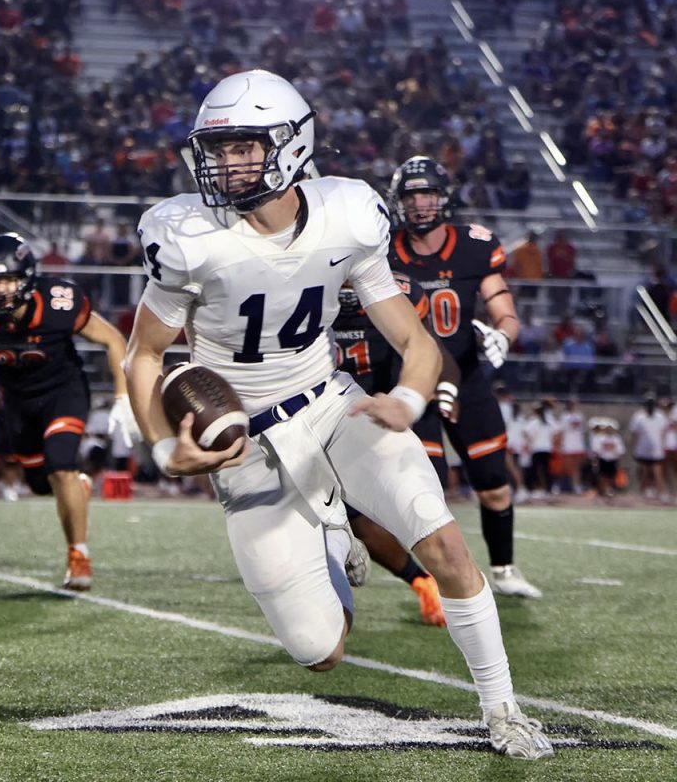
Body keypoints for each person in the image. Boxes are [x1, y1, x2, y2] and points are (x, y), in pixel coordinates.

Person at [124, 70, 552, 760]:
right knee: (318, 652)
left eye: (244, 147)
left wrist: (408, 400)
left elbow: (416, 343)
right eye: (218, 148)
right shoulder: (188, 236)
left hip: (330, 402)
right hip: (245, 443)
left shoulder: (347, 216)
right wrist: (160, 446)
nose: (227, 163)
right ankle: (330, 535)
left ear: (292, 146)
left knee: (442, 542)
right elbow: (144, 355)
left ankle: (503, 708)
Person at [0, 233, 140, 591]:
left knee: (61, 465)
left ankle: (78, 557)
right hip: (17, 404)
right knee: (41, 484)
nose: (1, 289)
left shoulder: (58, 302)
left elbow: (113, 340)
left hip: (64, 393)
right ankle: (76, 488)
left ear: (28, 277)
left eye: (9, 279)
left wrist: (123, 396)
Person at [387, 156, 542, 600]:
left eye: (427, 194)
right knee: (426, 494)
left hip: (468, 379)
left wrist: (504, 336)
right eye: (411, 195)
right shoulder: (383, 249)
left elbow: (503, 309)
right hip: (414, 382)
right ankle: (441, 581)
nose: (419, 205)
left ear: (444, 198)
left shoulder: (474, 245)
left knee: (494, 486)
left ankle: (505, 569)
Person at [333, 273, 462, 627]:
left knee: (421, 510)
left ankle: (449, 586)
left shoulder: (393, 288)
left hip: (389, 409)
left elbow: (429, 348)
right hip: (332, 414)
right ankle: (418, 581)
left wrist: (444, 390)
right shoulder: (299, 283)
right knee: (350, 518)